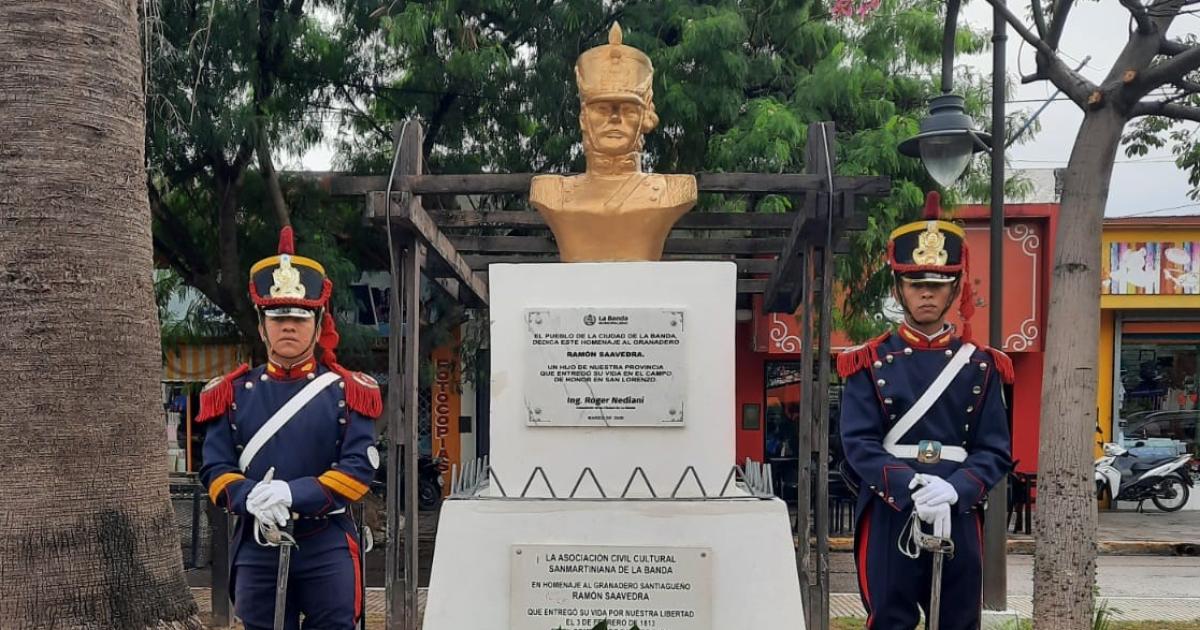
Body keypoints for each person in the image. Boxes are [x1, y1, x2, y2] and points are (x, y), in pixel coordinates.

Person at [837, 192, 1013, 629]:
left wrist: (957, 490)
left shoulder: (981, 364)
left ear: (954, 288)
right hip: (891, 506)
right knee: (889, 619)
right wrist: (910, 484)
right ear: (899, 288)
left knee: (959, 621)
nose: (927, 294)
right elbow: (857, 442)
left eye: (937, 284)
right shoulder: (869, 360)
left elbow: (994, 449)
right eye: (917, 284)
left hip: (957, 507)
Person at [198, 226, 382, 630]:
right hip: (258, 543)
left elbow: (357, 472)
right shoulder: (230, 394)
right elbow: (214, 470)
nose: (288, 326)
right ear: (262, 325)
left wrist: (292, 492)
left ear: (318, 326)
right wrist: (248, 496)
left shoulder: (347, 391)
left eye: (300, 317)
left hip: (326, 540)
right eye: (278, 316)